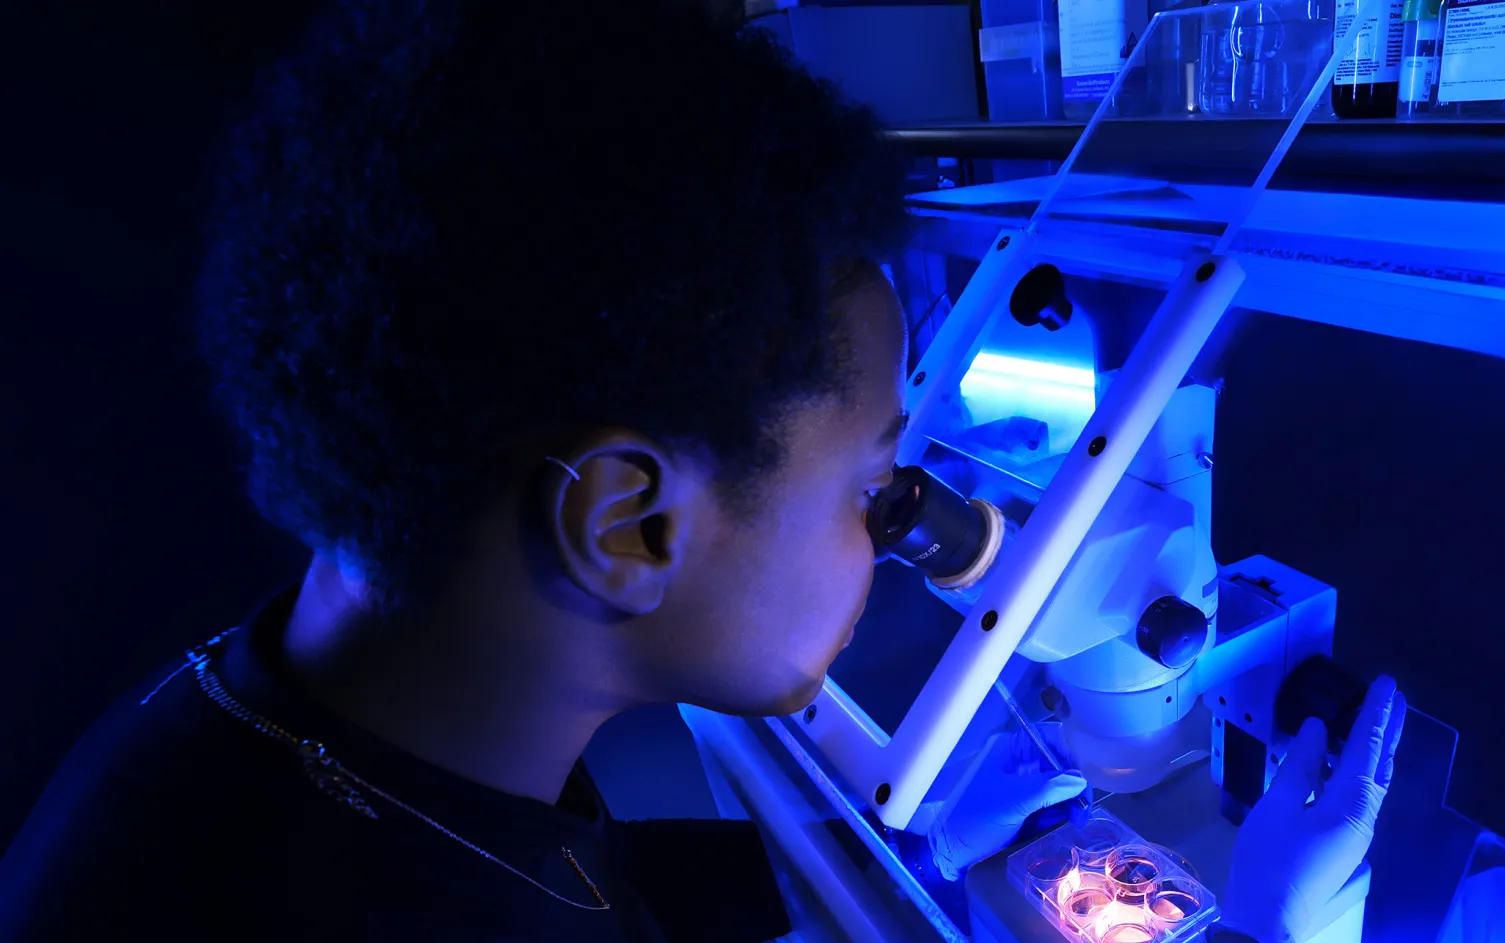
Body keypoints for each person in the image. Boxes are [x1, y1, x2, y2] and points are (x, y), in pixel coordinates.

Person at [0, 1, 1406, 941]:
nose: (890, 526)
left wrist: (927, 860)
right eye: (870, 483)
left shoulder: (306, 725)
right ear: (626, 521)